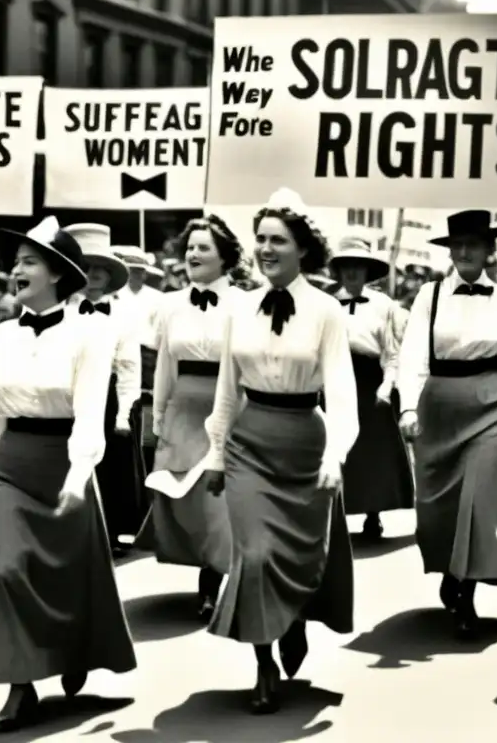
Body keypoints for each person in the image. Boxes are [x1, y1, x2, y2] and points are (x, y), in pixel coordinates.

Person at [0, 216, 135, 733]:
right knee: (6, 570)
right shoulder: (0, 336)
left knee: (67, 575)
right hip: (9, 467)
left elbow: (90, 413)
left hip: (66, 460)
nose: (15, 270)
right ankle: (20, 687)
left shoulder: (93, 332)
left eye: (28, 262)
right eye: (16, 262)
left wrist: (76, 478)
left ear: (58, 274)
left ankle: (74, 650)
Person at [198, 189, 357, 715]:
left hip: (305, 445)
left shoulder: (328, 311)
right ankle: (263, 662)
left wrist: (335, 455)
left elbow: (341, 393)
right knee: (255, 554)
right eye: (260, 239)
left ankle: (292, 618)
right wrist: (217, 455)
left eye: (277, 240)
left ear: (303, 248)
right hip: (249, 445)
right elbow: (226, 389)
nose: (265, 249)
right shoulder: (238, 308)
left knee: (298, 556)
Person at [398, 210, 497, 637]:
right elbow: (413, 355)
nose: (464, 252)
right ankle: (450, 571)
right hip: (439, 406)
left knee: (481, 498)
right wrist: (408, 407)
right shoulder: (429, 295)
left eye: (473, 245)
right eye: (457, 245)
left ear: (489, 250)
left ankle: (467, 593)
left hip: (490, 405)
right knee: (440, 506)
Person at [136, 215, 242, 620]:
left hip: (228, 405)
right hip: (182, 407)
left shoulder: (243, 304)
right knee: (183, 497)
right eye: (191, 246)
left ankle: (212, 582)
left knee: (217, 500)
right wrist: (157, 415)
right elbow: (164, 364)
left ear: (224, 257)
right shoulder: (169, 305)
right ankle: (208, 565)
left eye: (204, 248)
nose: (193, 254)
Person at [63, 223, 144, 557]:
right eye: (86, 267)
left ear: (111, 275)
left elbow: (128, 365)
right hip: (65, 392)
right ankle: (69, 528)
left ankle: (107, 531)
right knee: (67, 459)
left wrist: (124, 411)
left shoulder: (122, 315)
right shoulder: (58, 309)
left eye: (101, 269)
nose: (93, 274)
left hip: (105, 395)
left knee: (107, 466)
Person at [327, 235, 413, 540]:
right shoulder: (326, 303)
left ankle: (373, 513)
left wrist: (386, 387)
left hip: (368, 382)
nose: (352, 273)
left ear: (367, 272)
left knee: (371, 450)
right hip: (334, 380)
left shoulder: (384, 306)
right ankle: (334, 514)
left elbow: (392, 352)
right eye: (346, 266)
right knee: (335, 448)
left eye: (358, 267)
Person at [112, 245, 165, 477]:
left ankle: (147, 449)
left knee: (148, 405)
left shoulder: (157, 299)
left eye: (139, 270)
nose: (136, 274)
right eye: (131, 270)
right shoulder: (114, 296)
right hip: (119, 357)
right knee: (122, 400)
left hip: (149, 357)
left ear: (146, 273)